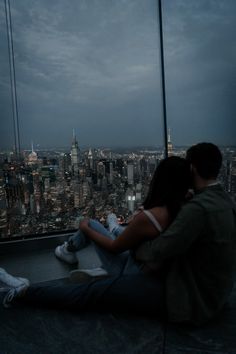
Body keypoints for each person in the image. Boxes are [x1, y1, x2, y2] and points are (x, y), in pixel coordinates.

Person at [1, 143, 235, 326]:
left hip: (186, 298)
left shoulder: (196, 209)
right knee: (110, 246)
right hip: (211, 293)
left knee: (93, 294)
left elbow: (155, 252)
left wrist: (134, 245)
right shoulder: (221, 200)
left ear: (192, 168)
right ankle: (106, 242)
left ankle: (24, 292)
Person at [55, 156, 191, 281]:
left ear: (159, 180)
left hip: (133, 274)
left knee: (91, 224)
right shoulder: (187, 208)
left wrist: (84, 228)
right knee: (120, 230)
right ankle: (111, 238)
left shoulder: (151, 217)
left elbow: (115, 248)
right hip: (155, 270)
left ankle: (68, 250)